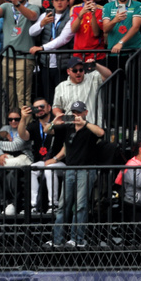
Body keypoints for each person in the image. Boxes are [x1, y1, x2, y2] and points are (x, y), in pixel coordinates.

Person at [48, 100, 110, 249]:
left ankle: (77, 239)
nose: (76, 115)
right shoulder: (68, 128)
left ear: (85, 112)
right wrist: (54, 122)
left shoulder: (89, 128)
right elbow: (47, 131)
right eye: (74, 112)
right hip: (70, 169)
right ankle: (58, 240)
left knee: (80, 206)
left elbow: (101, 133)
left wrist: (85, 122)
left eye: (79, 112)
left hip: (86, 170)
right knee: (63, 206)